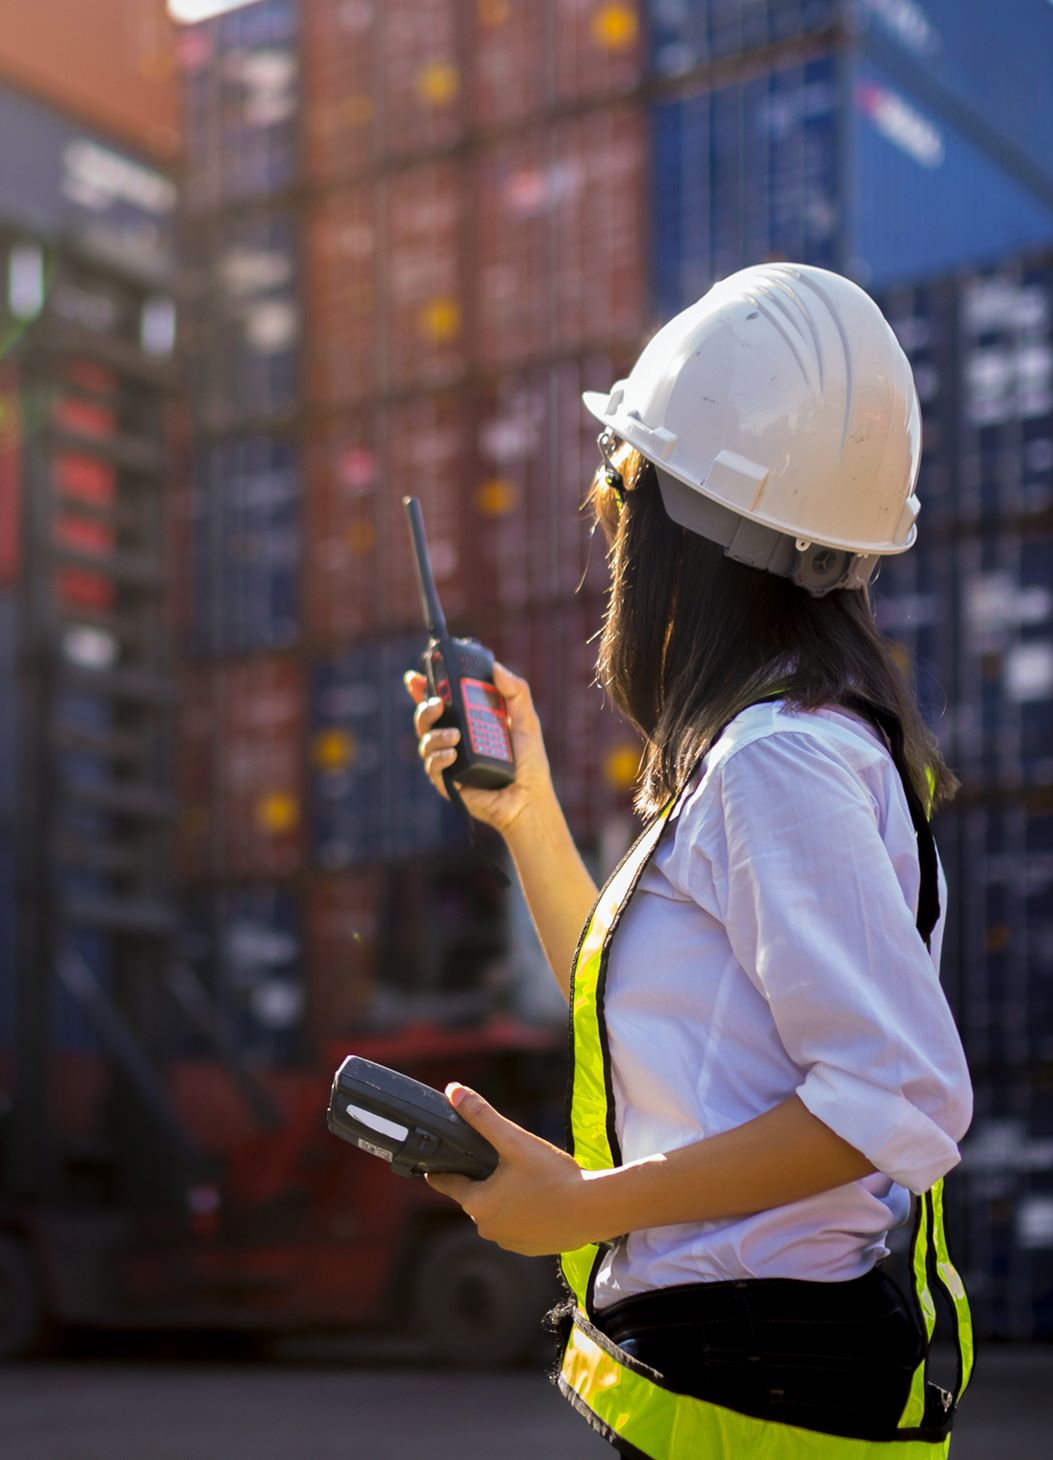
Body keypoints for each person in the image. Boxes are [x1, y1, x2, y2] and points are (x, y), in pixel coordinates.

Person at [403, 263, 975, 1458]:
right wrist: (527, 813)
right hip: (749, 1375)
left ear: (673, 519)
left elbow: (893, 1096)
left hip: (764, 1377)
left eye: (618, 486)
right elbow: (652, 1018)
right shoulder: (781, 749)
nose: (607, 525)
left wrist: (580, 1205)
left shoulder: (779, 763)